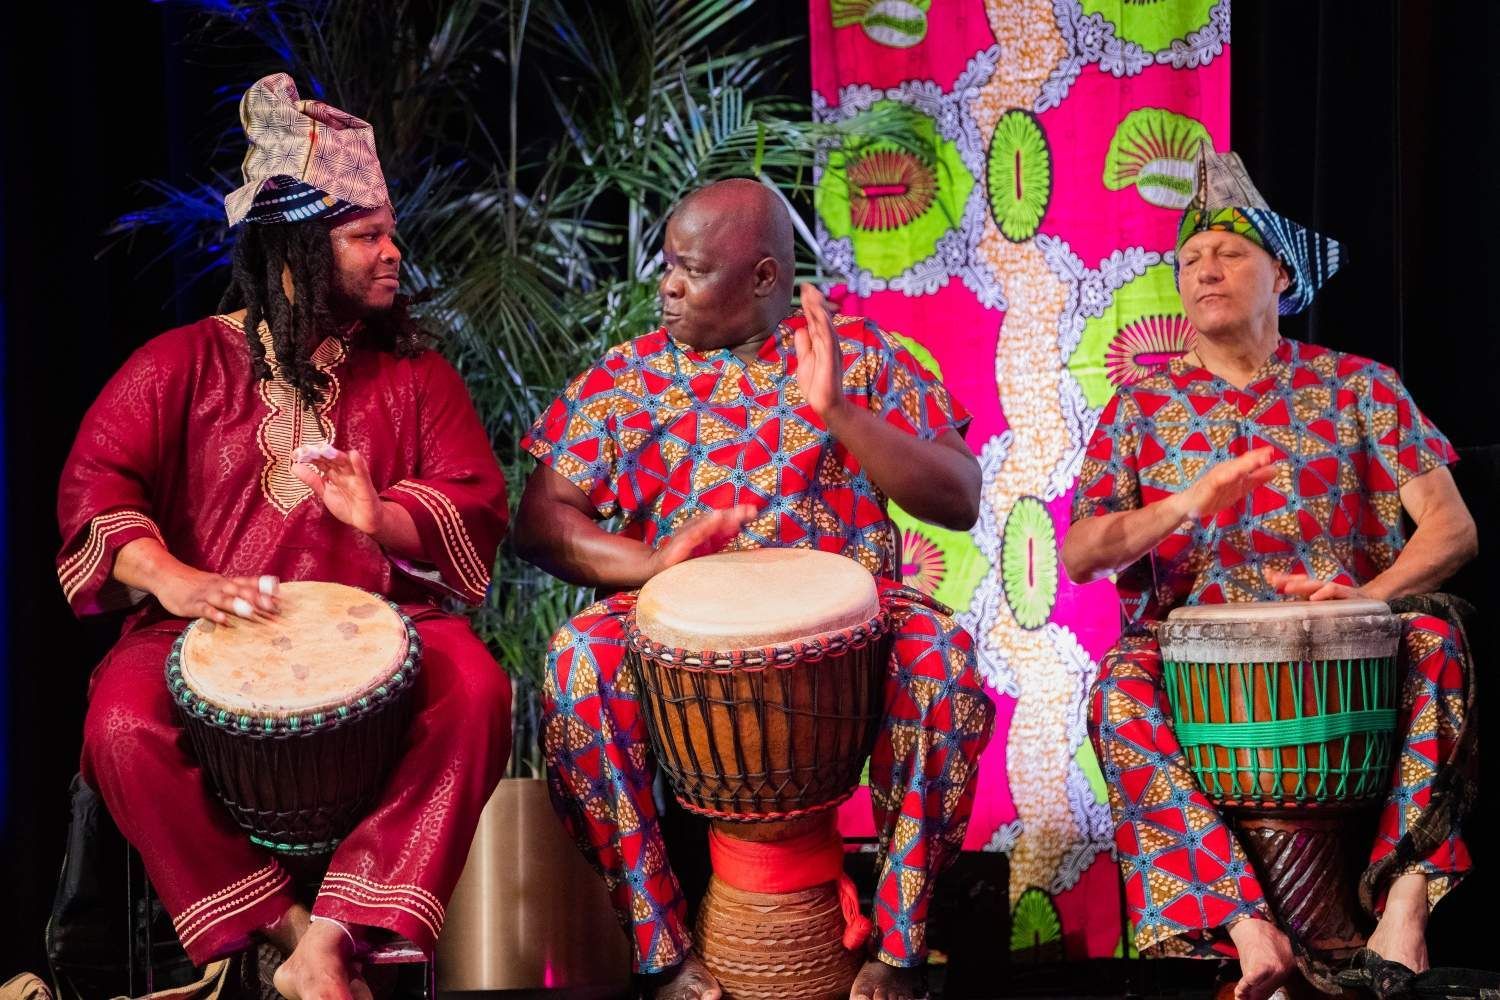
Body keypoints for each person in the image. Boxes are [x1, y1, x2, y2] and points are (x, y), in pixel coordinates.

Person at [57, 73, 511, 1000]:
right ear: (297, 246)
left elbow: (473, 500)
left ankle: (342, 925)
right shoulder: (179, 365)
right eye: (365, 236)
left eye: (390, 230)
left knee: (476, 689)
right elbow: (96, 488)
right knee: (121, 722)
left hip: (390, 631)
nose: (393, 252)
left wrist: (382, 517)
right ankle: (295, 936)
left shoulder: (417, 378)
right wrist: (173, 578)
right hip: (202, 635)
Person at [515, 178, 996, 1000]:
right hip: (675, 617)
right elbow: (540, 520)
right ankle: (659, 950)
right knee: (576, 667)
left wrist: (840, 412)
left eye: (691, 270)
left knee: (944, 660)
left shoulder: (863, 357)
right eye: (666, 265)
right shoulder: (630, 377)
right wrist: (650, 563)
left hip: (859, 619)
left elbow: (958, 493)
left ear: (765, 278)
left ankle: (900, 949)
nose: (666, 286)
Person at [1064, 146, 1477, 1000]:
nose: (1204, 270)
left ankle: (1405, 900)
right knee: (1114, 689)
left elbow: (1452, 528)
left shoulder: (1362, 386)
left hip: (1350, 640)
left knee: (1439, 635)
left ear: (1282, 276)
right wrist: (1187, 501)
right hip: (1187, 661)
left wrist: (1366, 599)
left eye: (1229, 253)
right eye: (1188, 260)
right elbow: (1081, 553)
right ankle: (1248, 927)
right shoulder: (1140, 404)